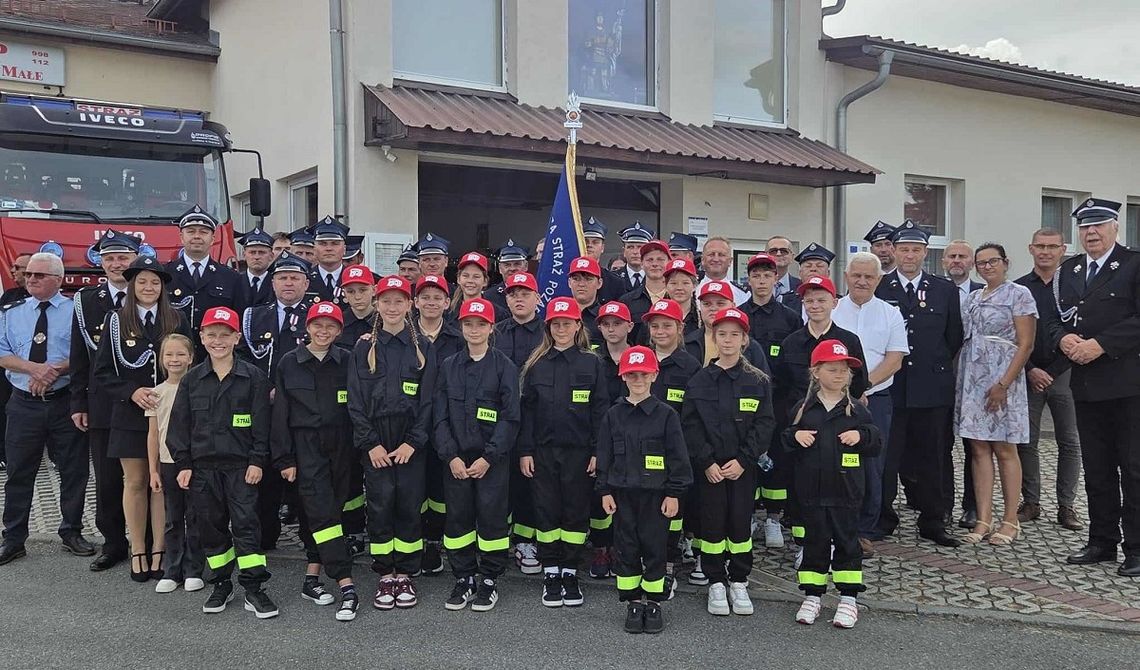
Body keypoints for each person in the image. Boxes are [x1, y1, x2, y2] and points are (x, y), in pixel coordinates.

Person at [169, 306, 277, 618]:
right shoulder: (191, 381)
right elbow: (180, 426)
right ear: (201, 338)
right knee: (210, 528)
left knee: (246, 526)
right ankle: (221, 583)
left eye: (225, 335)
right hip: (203, 471)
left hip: (242, 469)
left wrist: (258, 460)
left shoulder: (253, 378)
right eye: (212, 335)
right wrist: (184, 464)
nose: (218, 340)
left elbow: (262, 425)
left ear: (236, 337)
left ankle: (254, 588)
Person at [1054, 198, 1140, 577]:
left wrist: (1101, 344)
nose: (1091, 233)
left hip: (1127, 386)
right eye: (1085, 227)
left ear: (1115, 227)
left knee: (1134, 469)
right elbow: (1053, 319)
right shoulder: (1069, 269)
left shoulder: (1134, 265)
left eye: (1099, 226)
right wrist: (1062, 340)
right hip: (1086, 386)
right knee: (1098, 468)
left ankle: (1136, 549)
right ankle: (1102, 541)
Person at [94, 255, 192, 581]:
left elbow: (192, 364)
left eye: (154, 282)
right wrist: (132, 391)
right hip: (130, 414)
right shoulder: (115, 321)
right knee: (135, 483)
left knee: (160, 484)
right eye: (142, 281)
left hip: (169, 416)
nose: (148, 287)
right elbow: (103, 373)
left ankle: (160, 549)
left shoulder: (177, 319)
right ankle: (138, 548)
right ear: (132, 285)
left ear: (162, 287)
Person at [347, 275, 436, 609]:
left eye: (399, 301)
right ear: (377, 305)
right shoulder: (363, 347)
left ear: (409, 305)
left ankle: (407, 574)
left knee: (409, 504)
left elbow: (428, 400)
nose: (393, 307)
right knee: (381, 505)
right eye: (386, 301)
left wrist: (414, 441)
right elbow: (355, 401)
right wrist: (370, 444)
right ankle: (386, 574)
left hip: (410, 442)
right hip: (377, 442)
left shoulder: (423, 347)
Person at [874, 221, 963, 547]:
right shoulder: (881, 288)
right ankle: (883, 517)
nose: (909, 255)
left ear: (926, 253)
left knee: (934, 457)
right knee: (887, 457)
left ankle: (933, 520)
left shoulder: (944, 290)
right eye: (903, 249)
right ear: (893, 252)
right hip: (891, 387)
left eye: (915, 249)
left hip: (931, 387)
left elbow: (953, 337)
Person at [0, 252, 93, 566]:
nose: (31, 280)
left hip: (64, 401)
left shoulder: (76, 311)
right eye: (28, 275)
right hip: (23, 404)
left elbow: (87, 353)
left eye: (38, 275)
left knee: (74, 470)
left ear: (58, 279)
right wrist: (33, 369)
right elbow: (2, 353)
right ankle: (13, 539)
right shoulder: (12, 312)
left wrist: (53, 370)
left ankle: (71, 532)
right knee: (18, 472)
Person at [681, 307, 774, 617]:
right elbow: (690, 425)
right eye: (722, 334)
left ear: (745, 340)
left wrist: (744, 460)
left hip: (742, 469)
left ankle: (739, 580)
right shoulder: (699, 380)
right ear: (714, 336)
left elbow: (764, 424)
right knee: (711, 524)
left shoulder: (757, 381)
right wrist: (706, 461)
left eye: (735, 334)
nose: (728, 340)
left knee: (739, 524)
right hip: (709, 470)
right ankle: (716, 581)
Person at [272, 302, 360, 621]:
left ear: (339, 331)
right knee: (323, 514)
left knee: (327, 511)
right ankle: (346, 583)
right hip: (305, 446)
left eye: (331, 326)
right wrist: (284, 458)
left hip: (340, 446)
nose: (323, 331)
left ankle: (312, 577)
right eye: (317, 325)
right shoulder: (288, 363)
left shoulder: (347, 360)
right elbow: (280, 414)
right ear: (307, 327)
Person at [520, 297, 610, 608]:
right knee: (546, 511)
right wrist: (526, 451)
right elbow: (527, 413)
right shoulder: (536, 364)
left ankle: (570, 570)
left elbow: (601, 411)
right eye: (556, 324)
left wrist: (599, 451)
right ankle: (551, 570)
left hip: (580, 453)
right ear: (548, 327)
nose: (561, 328)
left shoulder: (592, 363)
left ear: (577, 326)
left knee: (575, 511)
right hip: (543, 452)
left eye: (567, 323)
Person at [785, 340, 881, 629]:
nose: (840, 375)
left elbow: (876, 442)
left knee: (847, 544)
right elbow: (785, 441)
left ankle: (848, 599)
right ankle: (813, 595)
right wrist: (794, 438)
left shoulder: (857, 410)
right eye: (833, 369)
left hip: (847, 493)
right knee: (814, 544)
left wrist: (861, 438)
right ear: (816, 372)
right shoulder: (803, 410)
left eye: (844, 370)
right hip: (812, 493)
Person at [597, 345, 692, 634]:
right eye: (632, 375)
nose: (637, 380)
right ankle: (633, 602)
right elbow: (604, 456)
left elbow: (678, 457)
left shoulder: (666, 416)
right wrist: (604, 491)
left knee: (655, 549)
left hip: (656, 497)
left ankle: (654, 602)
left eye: (643, 374)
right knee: (626, 549)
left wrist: (674, 493)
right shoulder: (613, 415)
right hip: (623, 495)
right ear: (623, 377)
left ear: (654, 375)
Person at [433, 297, 519, 611]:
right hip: (456, 461)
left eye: (480, 324)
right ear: (461, 326)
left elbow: (511, 417)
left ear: (491, 328)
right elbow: (439, 416)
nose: (474, 329)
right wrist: (450, 456)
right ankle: (464, 576)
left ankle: (489, 579)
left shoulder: (504, 367)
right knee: (458, 521)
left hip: (490, 462)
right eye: (468, 324)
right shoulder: (449, 366)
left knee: (492, 520)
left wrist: (489, 457)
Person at [955, 243, 1037, 547]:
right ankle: (983, 519)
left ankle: (1010, 520)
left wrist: (1004, 383)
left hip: (1004, 377)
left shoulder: (1019, 294)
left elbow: (1026, 343)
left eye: (993, 261)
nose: (987, 267)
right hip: (973, 377)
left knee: (1004, 448)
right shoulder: (974, 297)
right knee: (977, 448)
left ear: (1005, 262)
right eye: (982, 263)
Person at [832, 252, 907, 557]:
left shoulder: (890, 313)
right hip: (833, 400)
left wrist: (865, 385)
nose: (862, 281)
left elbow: (895, 358)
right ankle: (835, 527)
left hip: (876, 400)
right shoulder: (832, 308)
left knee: (871, 465)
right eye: (856, 275)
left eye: (869, 277)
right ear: (846, 276)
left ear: (878, 279)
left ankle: (864, 530)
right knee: (833, 463)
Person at [70, 231, 138, 572]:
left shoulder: (148, 295)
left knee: (142, 478)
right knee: (108, 479)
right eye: (110, 258)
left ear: (135, 260)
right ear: (101, 262)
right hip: (101, 404)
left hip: (141, 403)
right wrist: (77, 403)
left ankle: (147, 542)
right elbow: (79, 357)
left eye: (123, 257)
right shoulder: (85, 300)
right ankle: (113, 543)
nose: (116, 263)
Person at [239, 252, 312, 549]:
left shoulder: (317, 317)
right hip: (265, 408)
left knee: (304, 475)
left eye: (295, 278)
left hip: (303, 408)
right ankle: (265, 536)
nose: (289, 283)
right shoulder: (254, 316)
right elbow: (243, 359)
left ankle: (311, 539)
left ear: (306, 283)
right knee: (265, 476)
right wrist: (265, 389)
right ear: (273, 282)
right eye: (282, 277)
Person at [1015, 229, 1082, 531]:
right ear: (1030, 249)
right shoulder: (1018, 289)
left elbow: (1082, 332)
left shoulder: (1075, 286)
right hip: (1027, 375)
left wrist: (1052, 371)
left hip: (1065, 374)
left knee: (1069, 442)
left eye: (1052, 247)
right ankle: (1031, 502)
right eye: (1040, 246)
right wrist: (1029, 369)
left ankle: (1066, 507)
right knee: (1026, 442)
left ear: (1063, 249)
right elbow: (1012, 336)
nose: (1045, 252)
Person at [642, 298, 700, 595]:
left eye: (667, 325)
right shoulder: (637, 360)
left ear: (680, 328)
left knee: (672, 516)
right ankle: (645, 562)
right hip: (640, 456)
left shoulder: (690, 367)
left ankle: (667, 565)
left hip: (675, 457)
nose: (660, 331)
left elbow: (694, 418)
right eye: (655, 325)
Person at [492, 272, 543, 573]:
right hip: (498, 419)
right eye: (513, 294)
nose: (519, 298)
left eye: (525, 293)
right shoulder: (495, 331)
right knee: (500, 482)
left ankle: (526, 541)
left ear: (537, 297)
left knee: (528, 484)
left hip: (534, 419)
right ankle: (500, 537)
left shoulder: (547, 332)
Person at [147, 333, 204, 595]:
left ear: (191, 358)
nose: (175, 359)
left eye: (181, 354)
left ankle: (194, 569)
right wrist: (153, 469)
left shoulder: (198, 388)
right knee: (172, 517)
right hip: (168, 463)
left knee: (195, 515)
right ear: (161, 359)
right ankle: (172, 568)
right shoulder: (156, 393)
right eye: (169, 354)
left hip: (194, 462)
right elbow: (153, 434)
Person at [413, 274, 462, 576]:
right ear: (415, 302)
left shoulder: (458, 339)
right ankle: (419, 540)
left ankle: (436, 539)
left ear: (447, 302)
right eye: (425, 296)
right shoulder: (402, 336)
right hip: (411, 425)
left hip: (447, 424)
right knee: (416, 487)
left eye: (437, 297)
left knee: (442, 488)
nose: (431, 302)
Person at [164, 206, 246, 358]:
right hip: (174, 360)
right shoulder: (165, 275)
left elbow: (238, 322)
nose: (197, 236)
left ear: (213, 238)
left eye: (203, 232)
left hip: (215, 359)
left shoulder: (231, 277)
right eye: (191, 231)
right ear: (181, 237)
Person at [943, 239, 985, 525]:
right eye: (952, 256)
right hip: (944, 375)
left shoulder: (985, 293)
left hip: (976, 380)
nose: (957, 261)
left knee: (974, 446)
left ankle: (972, 506)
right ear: (944, 261)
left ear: (972, 263)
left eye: (963, 256)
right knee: (941, 444)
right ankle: (943, 504)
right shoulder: (934, 290)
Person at [621, 239, 671, 343]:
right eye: (649, 260)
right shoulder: (627, 302)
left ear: (669, 263)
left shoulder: (677, 298)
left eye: (660, 259)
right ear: (642, 264)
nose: (655, 264)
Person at [307, 216, 350, 310]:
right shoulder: (304, 278)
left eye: (335, 243)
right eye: (323, 243)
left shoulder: (354, 278)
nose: (329, 248)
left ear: (344, 249)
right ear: (314, 249)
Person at [785, 244, 836, 318]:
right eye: (808, 266)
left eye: (819, 266)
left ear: (828, 273)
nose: (813, 269)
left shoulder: (838, 302)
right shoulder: (786, 301)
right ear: (800, 273)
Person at [697, 237, 749, 305]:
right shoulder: (691, 291)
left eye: (721, 255)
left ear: (730, 261)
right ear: (702, 260)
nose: (716, 259)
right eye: (711, 254)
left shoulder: (742, 295)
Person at [484, 240, 530, 317]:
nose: (512, 268)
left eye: (517, 264)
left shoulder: (535, 292)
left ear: (526, 266)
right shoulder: (489, 296)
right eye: (507, 265)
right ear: (500, 268)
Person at [567, 256, 605, 346]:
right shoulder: (558, 316)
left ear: (599, 283)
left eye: (588, 279)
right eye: (576, 279)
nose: (581, 284)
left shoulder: (605, 318)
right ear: (569, 282)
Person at [338, 265, 377, 348]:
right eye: (350, 291)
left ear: (374, 290)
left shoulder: (383, 322)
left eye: (363, 290)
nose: (357, 297)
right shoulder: (338, 323)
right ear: (344, 294)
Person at [661, 258, 700, 336]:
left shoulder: (702, 318)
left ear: (694, 286)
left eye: (685, 283)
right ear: (665, 285)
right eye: (673, 283)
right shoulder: (656, 317)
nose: (679, 288)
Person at [237, 227, 275, 307]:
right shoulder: (234, 281)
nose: (257, 257)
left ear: (271, 256)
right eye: (252, 252)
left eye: (261, 252)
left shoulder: (277, 282)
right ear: (244, 255)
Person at [451, 252, 493, 320]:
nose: (470, 280)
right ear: (458, 279)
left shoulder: (498, 313)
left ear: (485, 281)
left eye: (476, 277)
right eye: (465, 276)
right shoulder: (447, 312)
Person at [616, 222, 654, 295]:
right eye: (630, 247)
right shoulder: (613, 279)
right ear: (624, 251)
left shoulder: (656, 278)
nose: (635, 252)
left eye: (640, 247)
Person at [766, 236, 800, 304]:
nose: (778, 254)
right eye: (773, 251)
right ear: (765, 255)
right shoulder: (752, 287)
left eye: (784, 251)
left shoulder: (800, 287)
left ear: (792, 257)